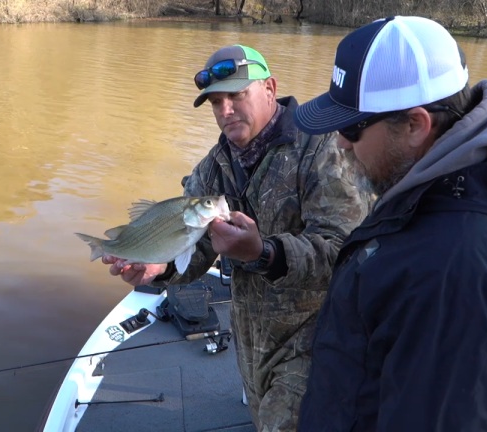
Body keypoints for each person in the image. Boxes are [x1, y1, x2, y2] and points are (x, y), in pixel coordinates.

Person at [292, 15, 487, 432]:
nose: (340, 141)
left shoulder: (453, 269)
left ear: (415, 125)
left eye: (352, 128)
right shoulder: (427, 193)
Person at [103, 44, 373, 431]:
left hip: (318, 341)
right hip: (249, 347)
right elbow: (194, 252)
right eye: (215, 102)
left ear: (269, 88)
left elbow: (346, 251)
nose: (225, 110)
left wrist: (266, 252)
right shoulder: (212, 168)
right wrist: (159, 268)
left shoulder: (324, 148)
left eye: (236, 95)